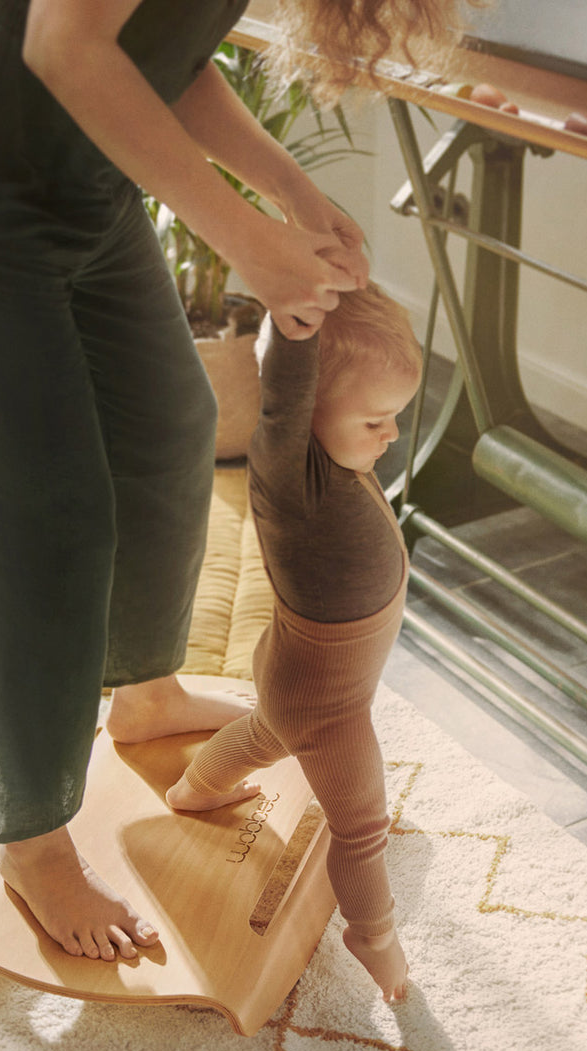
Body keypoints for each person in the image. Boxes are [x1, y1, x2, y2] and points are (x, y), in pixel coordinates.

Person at [0, 0, 458, 967]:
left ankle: (144, 690)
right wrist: (246, 240)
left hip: (76, 173)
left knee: (168, 425)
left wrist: (288, 189)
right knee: (31, 512)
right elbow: (64, 44)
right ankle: (29, 835)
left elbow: (161, 51)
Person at [167, 284, 422, 1002]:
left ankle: (195, 786)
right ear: (307, 410)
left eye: (394, 417)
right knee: (361, 822)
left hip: (299, 673)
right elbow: (281, 394)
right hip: (328, 698)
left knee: (265, 731)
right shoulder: (290, 471)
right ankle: (373, 933)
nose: (391, 436)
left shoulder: (337, 459)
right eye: (376, 419)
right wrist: (295, 321)